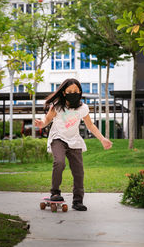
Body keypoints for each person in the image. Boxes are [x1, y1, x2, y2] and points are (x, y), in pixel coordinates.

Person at [35, 78, 112, 211]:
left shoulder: (83, 108)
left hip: (74, 140)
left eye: (76, 91)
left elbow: (90, 125)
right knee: (59, 162)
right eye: (70, 91)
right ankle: (55, 192)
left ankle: (78, 201)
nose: (73, 93)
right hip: (58, 138)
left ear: (80, 92)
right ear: (64, 93)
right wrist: (41, 124)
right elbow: (47, 120)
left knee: (78, 171)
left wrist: (102, 139)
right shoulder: (57, 106)